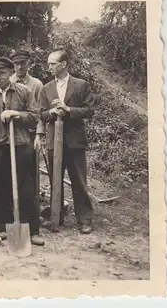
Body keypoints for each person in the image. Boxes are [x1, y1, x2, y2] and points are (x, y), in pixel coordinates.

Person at [0, 56, 44, 246]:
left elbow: (34, 116)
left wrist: (16, 114)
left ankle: (32, 229)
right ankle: (3, 227)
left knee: (26, 188)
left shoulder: (24, 91)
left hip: (21, 144)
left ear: (10, 73)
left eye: (3, 73)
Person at [39, 50, 95, 234]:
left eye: (52, 64)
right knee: (55, 180)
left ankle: (84, 220)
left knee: (78, 181)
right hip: (53, 141)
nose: (49, 67)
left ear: (63, 64)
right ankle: (57, 217)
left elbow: (89, 110)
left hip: (75, 141)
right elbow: (41, 113)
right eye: (48, 64)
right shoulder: (46, 88)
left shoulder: (81, 85)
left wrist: (68, 109)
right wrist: (52, 113)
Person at [10, 50, 45, 216]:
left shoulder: (36, 84)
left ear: (28, 64)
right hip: (11, 134)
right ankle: (13, 209)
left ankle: (31, 211)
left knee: (30, 174)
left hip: (30, 134)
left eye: (22, 63)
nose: (19, 67)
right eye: (16, 64)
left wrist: (39, 135)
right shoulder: (8, 82)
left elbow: (40, 112)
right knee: (11, 170)